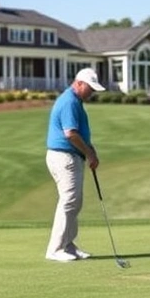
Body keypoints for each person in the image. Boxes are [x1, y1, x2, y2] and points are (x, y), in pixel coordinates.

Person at [44, 67, 105, 262]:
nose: (92, 92)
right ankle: (55, 249)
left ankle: (68, 245)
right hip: (64, 157)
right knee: (69, 200)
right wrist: (88, 153)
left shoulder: (75, 101)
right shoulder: (69, 101)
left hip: (70, 156)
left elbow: (79, 132)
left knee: (74, 202)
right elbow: (70, 134)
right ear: (79, 83)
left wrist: (90, 149)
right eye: (90, 88)